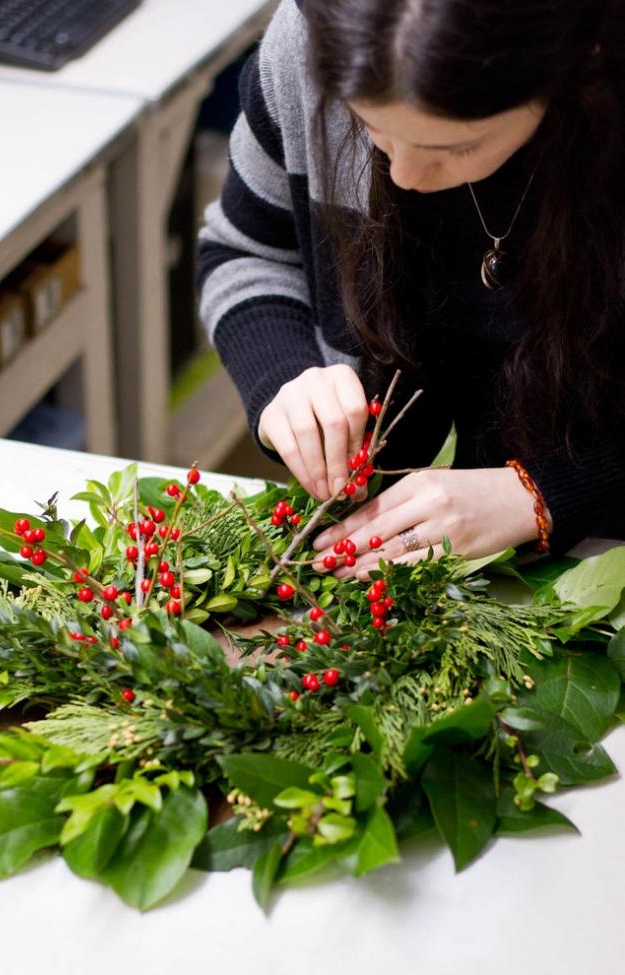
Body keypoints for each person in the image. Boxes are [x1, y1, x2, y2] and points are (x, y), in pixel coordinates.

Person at [197, 0, 625, 579]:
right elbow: (244, 251)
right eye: (370, 125)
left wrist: (546, 495)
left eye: (458, 148)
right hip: (378, 560)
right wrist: (282, 377)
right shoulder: (310, 45)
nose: (405, 177)